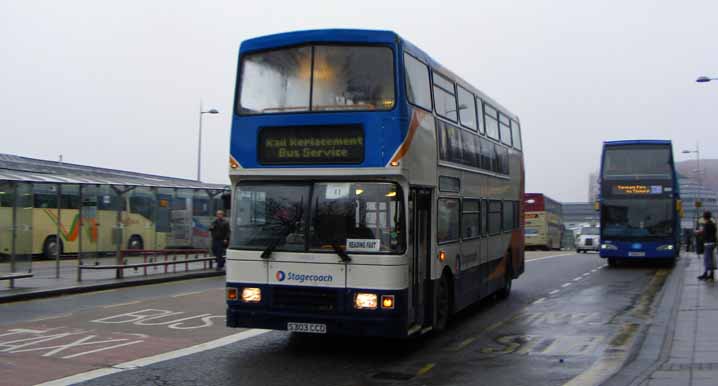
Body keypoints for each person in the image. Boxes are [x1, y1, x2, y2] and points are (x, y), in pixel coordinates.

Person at [696, 211, 717, 280]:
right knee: (708, 259)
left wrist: (699, 233)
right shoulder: (712, 224)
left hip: (708, 243)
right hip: (711, 243)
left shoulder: (707, 224)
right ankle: (708, 273)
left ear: (705, 217)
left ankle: (709, 274)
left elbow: (705, 234)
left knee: (707, 259)